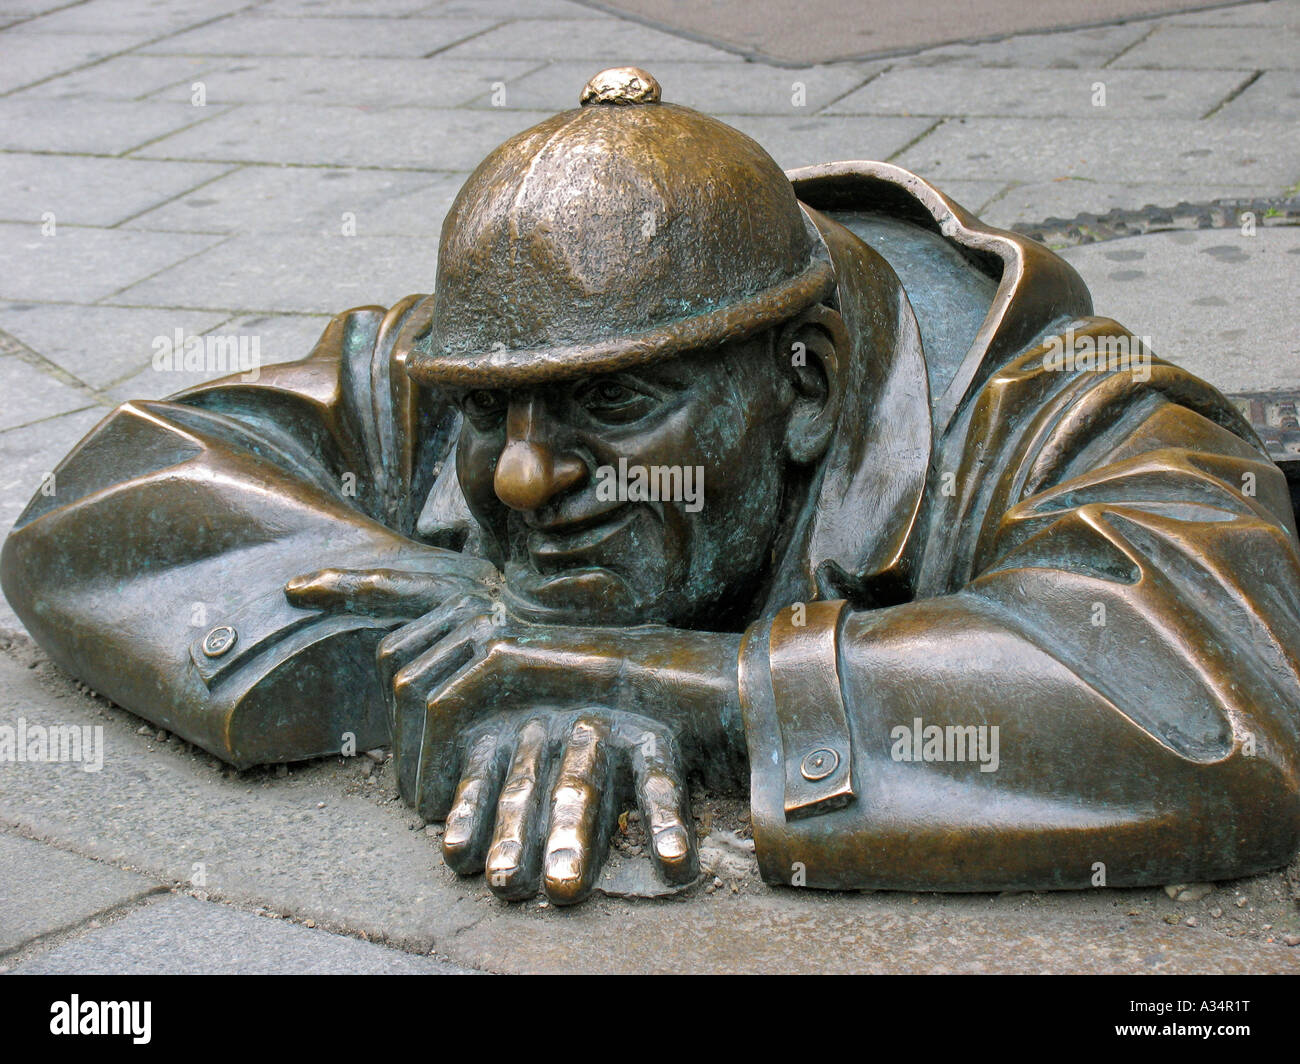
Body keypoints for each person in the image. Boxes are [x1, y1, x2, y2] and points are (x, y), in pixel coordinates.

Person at [5, 69, 1298, 905]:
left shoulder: (1071, 410)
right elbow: (102, 504)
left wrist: (683, 689)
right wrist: (438, 634)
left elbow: (1215, 704)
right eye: (489, 413)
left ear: (804, 384)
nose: (521, 471)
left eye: (615, 409)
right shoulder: (514, 356)